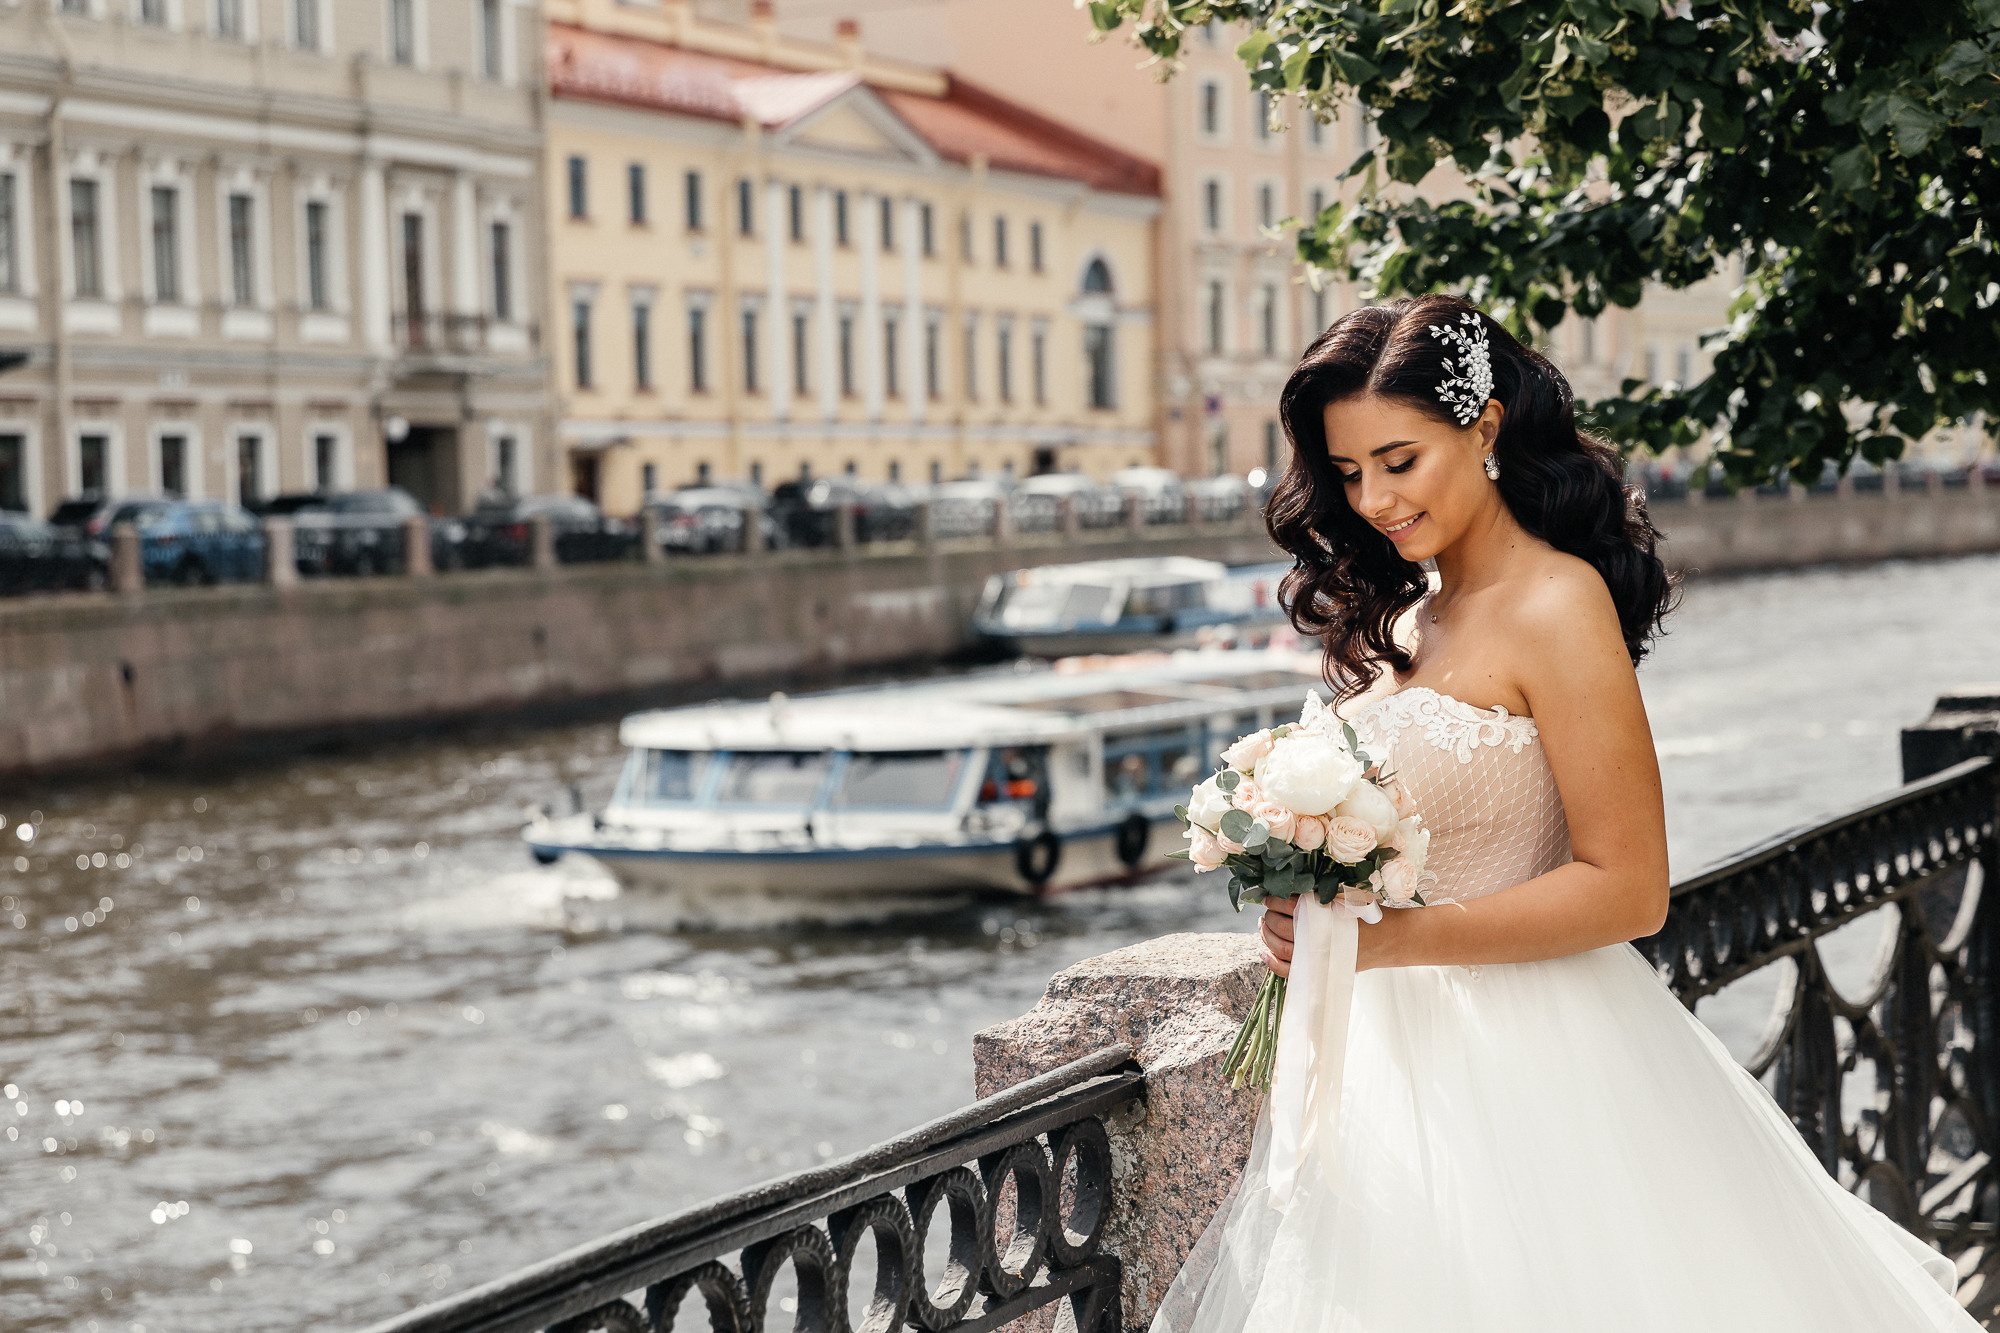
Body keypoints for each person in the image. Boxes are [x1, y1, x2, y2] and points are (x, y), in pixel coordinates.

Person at [1151, 295, 1980, 1332]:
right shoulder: (1409, 617)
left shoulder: (1557, 603)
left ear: (1485, 428)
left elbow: (1629, 888)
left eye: (1399, 461)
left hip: (1532, 1064)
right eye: (1349, 471)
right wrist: (1309, 896)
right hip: (1388, 1072)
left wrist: (1392, 940)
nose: (1373, 499)